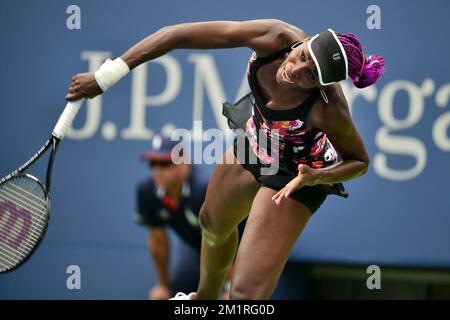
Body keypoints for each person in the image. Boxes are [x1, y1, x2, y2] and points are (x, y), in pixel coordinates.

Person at [66, 19, 384, 300]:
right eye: (302, 57)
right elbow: (175, 35)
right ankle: (202, 298)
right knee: (211, 225)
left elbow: (359, 161)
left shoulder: (329, 109)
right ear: (305, 41)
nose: (295, 71)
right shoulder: (275, 37)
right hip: (257, 142)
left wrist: (313, 177)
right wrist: (106, 76)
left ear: (323, 85)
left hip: (298, 174)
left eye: (310, 75)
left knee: (245, 294)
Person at [136, 135, 237, 300]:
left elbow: (222, 238)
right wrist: (162, 285)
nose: (157, 171)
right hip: (197, 247)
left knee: (237, 298)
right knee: (176, 294)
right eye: (152, 164)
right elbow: (158, 238)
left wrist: (231, 285)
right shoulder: (146, 190)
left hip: (236, 249)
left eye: (164, 163)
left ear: (183, 161)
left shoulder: (203, 189)